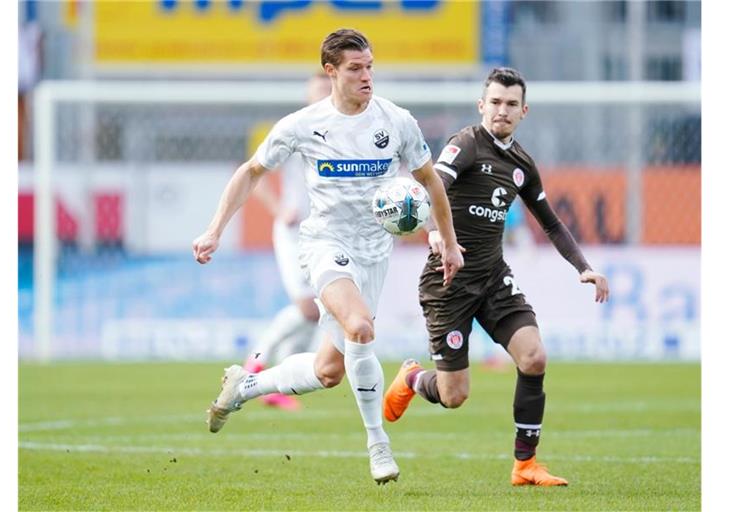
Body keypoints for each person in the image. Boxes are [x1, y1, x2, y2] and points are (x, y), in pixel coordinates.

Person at [192, 28, 464, 485]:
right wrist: (215, 228)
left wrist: (445, 237)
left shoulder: (396, 122)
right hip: (324, 244)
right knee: (360, 327)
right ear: (331, 71)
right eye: (355, 68)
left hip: (375, 251)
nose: (366, 76)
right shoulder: (302, 124)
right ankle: (378, 444)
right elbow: (250, 171)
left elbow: (431, 181)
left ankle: (246, 385)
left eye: (370, 67)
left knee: (329, 369)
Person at [382, 67, 609, 487]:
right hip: (448, 281)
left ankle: (525, 465)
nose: (501, 111)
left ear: (523, 111)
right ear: (481, 105)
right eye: (495, 102)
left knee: (534, 357)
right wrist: (434, 233)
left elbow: (552, 223)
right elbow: (434, 187)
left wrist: (585, 268)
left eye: (510, 104)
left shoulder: (521, 164)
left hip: (492, 278)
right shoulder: (464, 144)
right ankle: (413, 378)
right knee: (454, 396)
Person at [242, 72, 333, 411]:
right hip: (295, 232)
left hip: (328, 233)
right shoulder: (295, 129)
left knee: (322, 311)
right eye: (318, 91)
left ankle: (275, 385)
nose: (323, 96)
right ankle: (254, 363)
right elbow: (256, 174)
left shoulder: (345, 132)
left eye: (328, 90)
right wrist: (279, 208)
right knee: (308, 309)